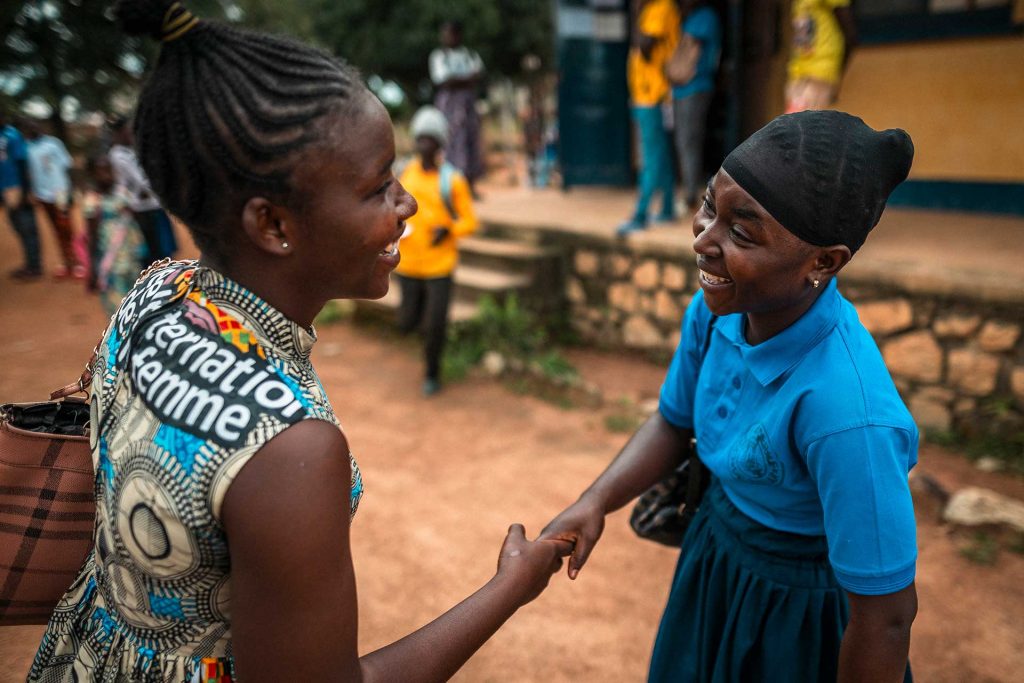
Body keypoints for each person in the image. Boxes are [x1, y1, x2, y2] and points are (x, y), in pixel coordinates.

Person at [29, 2, 570, 681]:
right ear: (274, 225)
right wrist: (509, 588)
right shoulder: (289, 448)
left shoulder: (155, 291)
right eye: (377, 188)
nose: (406, 204)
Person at [541, 110, 918, 682]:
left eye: (741, 231)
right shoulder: (721, 311)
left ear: (824, 261)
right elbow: (673, 423)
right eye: (709, 206)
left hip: (796, 612)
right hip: (716, 554)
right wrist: (597, 500)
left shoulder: (848, 415)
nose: (703, 239)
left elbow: (884, 617)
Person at [395, 106, 478, 397]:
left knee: (436, 324)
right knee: (407, 321)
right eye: (419, 139)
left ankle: (432, 373)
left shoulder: (452, 180)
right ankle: (421, 336)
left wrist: (449, 230)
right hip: (407, 264)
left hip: (440, 265)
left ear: (439, 143)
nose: (422, 145)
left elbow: (470, 220)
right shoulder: (405, 173)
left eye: (429, 139)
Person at [617, 0, 681, 236]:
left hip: (653, 96)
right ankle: (667, 208)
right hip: (648, 96)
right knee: (661, 155)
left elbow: (645, 45)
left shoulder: (661, 8)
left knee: (651, 157)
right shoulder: (655, 9)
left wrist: (635, 11)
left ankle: (640, 215)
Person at [670, 0, 721, 214]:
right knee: (685, 141)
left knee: (689, 141)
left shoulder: (706, 16)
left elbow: (691, 50)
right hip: (682, 89)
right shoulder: (689, 17)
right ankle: (690, 192)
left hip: (695, 86)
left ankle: (691, 195)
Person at [108, 115, 178, 267]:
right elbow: (141, 181)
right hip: (141, 207)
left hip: (152, 203)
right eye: (128, 131)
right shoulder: (118, 155)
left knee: (163, 246)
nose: (132, 134)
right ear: (119, 133)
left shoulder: (131, 151)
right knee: (154, 248)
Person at [83, 154, 144, 315]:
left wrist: (141, 248)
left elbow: (135, 225)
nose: (107, 175)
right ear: (91, 174)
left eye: (109, 170)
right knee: (117, 308)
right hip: (110, 264)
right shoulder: (92, 201)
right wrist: (92, 269)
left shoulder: (123, 194)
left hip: (131, 258)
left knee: (138, 299)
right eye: (100, 171)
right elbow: (92, 237)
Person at [429, 20, 485, 196]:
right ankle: (450, 187)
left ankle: (469, 186)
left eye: (450, 33)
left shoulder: (469, 54)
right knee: (448, 142)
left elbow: (477, 75)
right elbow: (442, 81)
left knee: (470, 142)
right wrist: (465, 79)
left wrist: (456, 79)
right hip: (448, 106)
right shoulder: (438, 56)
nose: (446, 37)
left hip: (468, 105)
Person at [24, 119, 83, 279]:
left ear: (40, 127)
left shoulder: (53, 144)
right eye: (29, 127)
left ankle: (78, 262)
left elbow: (67, 165)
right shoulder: (27, 148)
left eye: (34, 126)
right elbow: (29, 172)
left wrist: (71, 188)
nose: (32, 129)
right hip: (42, 195)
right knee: (55, 229)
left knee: (67, 227)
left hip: (60, 192)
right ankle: (66, 262)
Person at [785, 0, 857, 113]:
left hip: (821, 66)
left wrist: (837, 73)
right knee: (791, 122)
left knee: (806, 123)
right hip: (799, 67)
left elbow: (849, 31)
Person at [0, 110, 41, 280]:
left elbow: (22, 164)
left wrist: (25, 193)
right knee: (17, 226)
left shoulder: (12, 135)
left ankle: (34, 267)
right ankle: (29, 263)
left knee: (27, 227)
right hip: (5, 188)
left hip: (17, 188)